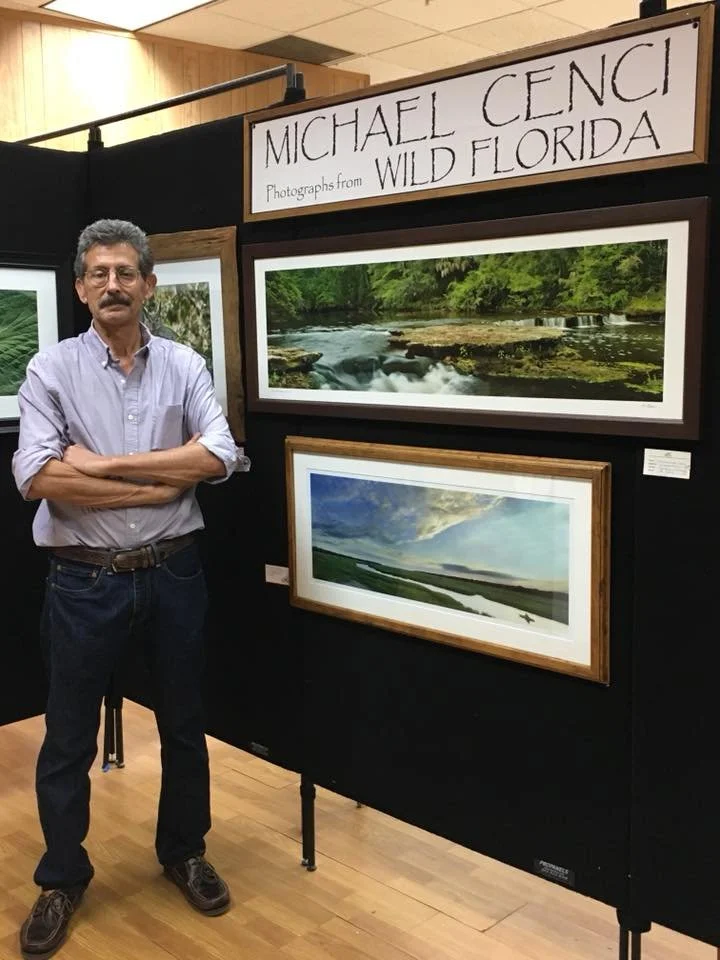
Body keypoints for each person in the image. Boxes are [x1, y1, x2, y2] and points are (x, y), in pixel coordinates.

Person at [12, 218, 244, 959]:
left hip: (175, 575)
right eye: (99, 274)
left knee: (184, 726)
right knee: (68, 739)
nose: (113, 285)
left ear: (150, 283)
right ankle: (61, 877)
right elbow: (38, 478)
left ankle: (183, 852)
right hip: (84, 584)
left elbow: (219, 456)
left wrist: (106, 470)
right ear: (81, 288)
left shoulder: (184, 364)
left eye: (126, 273)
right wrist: (157, 480)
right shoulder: (50, 371)